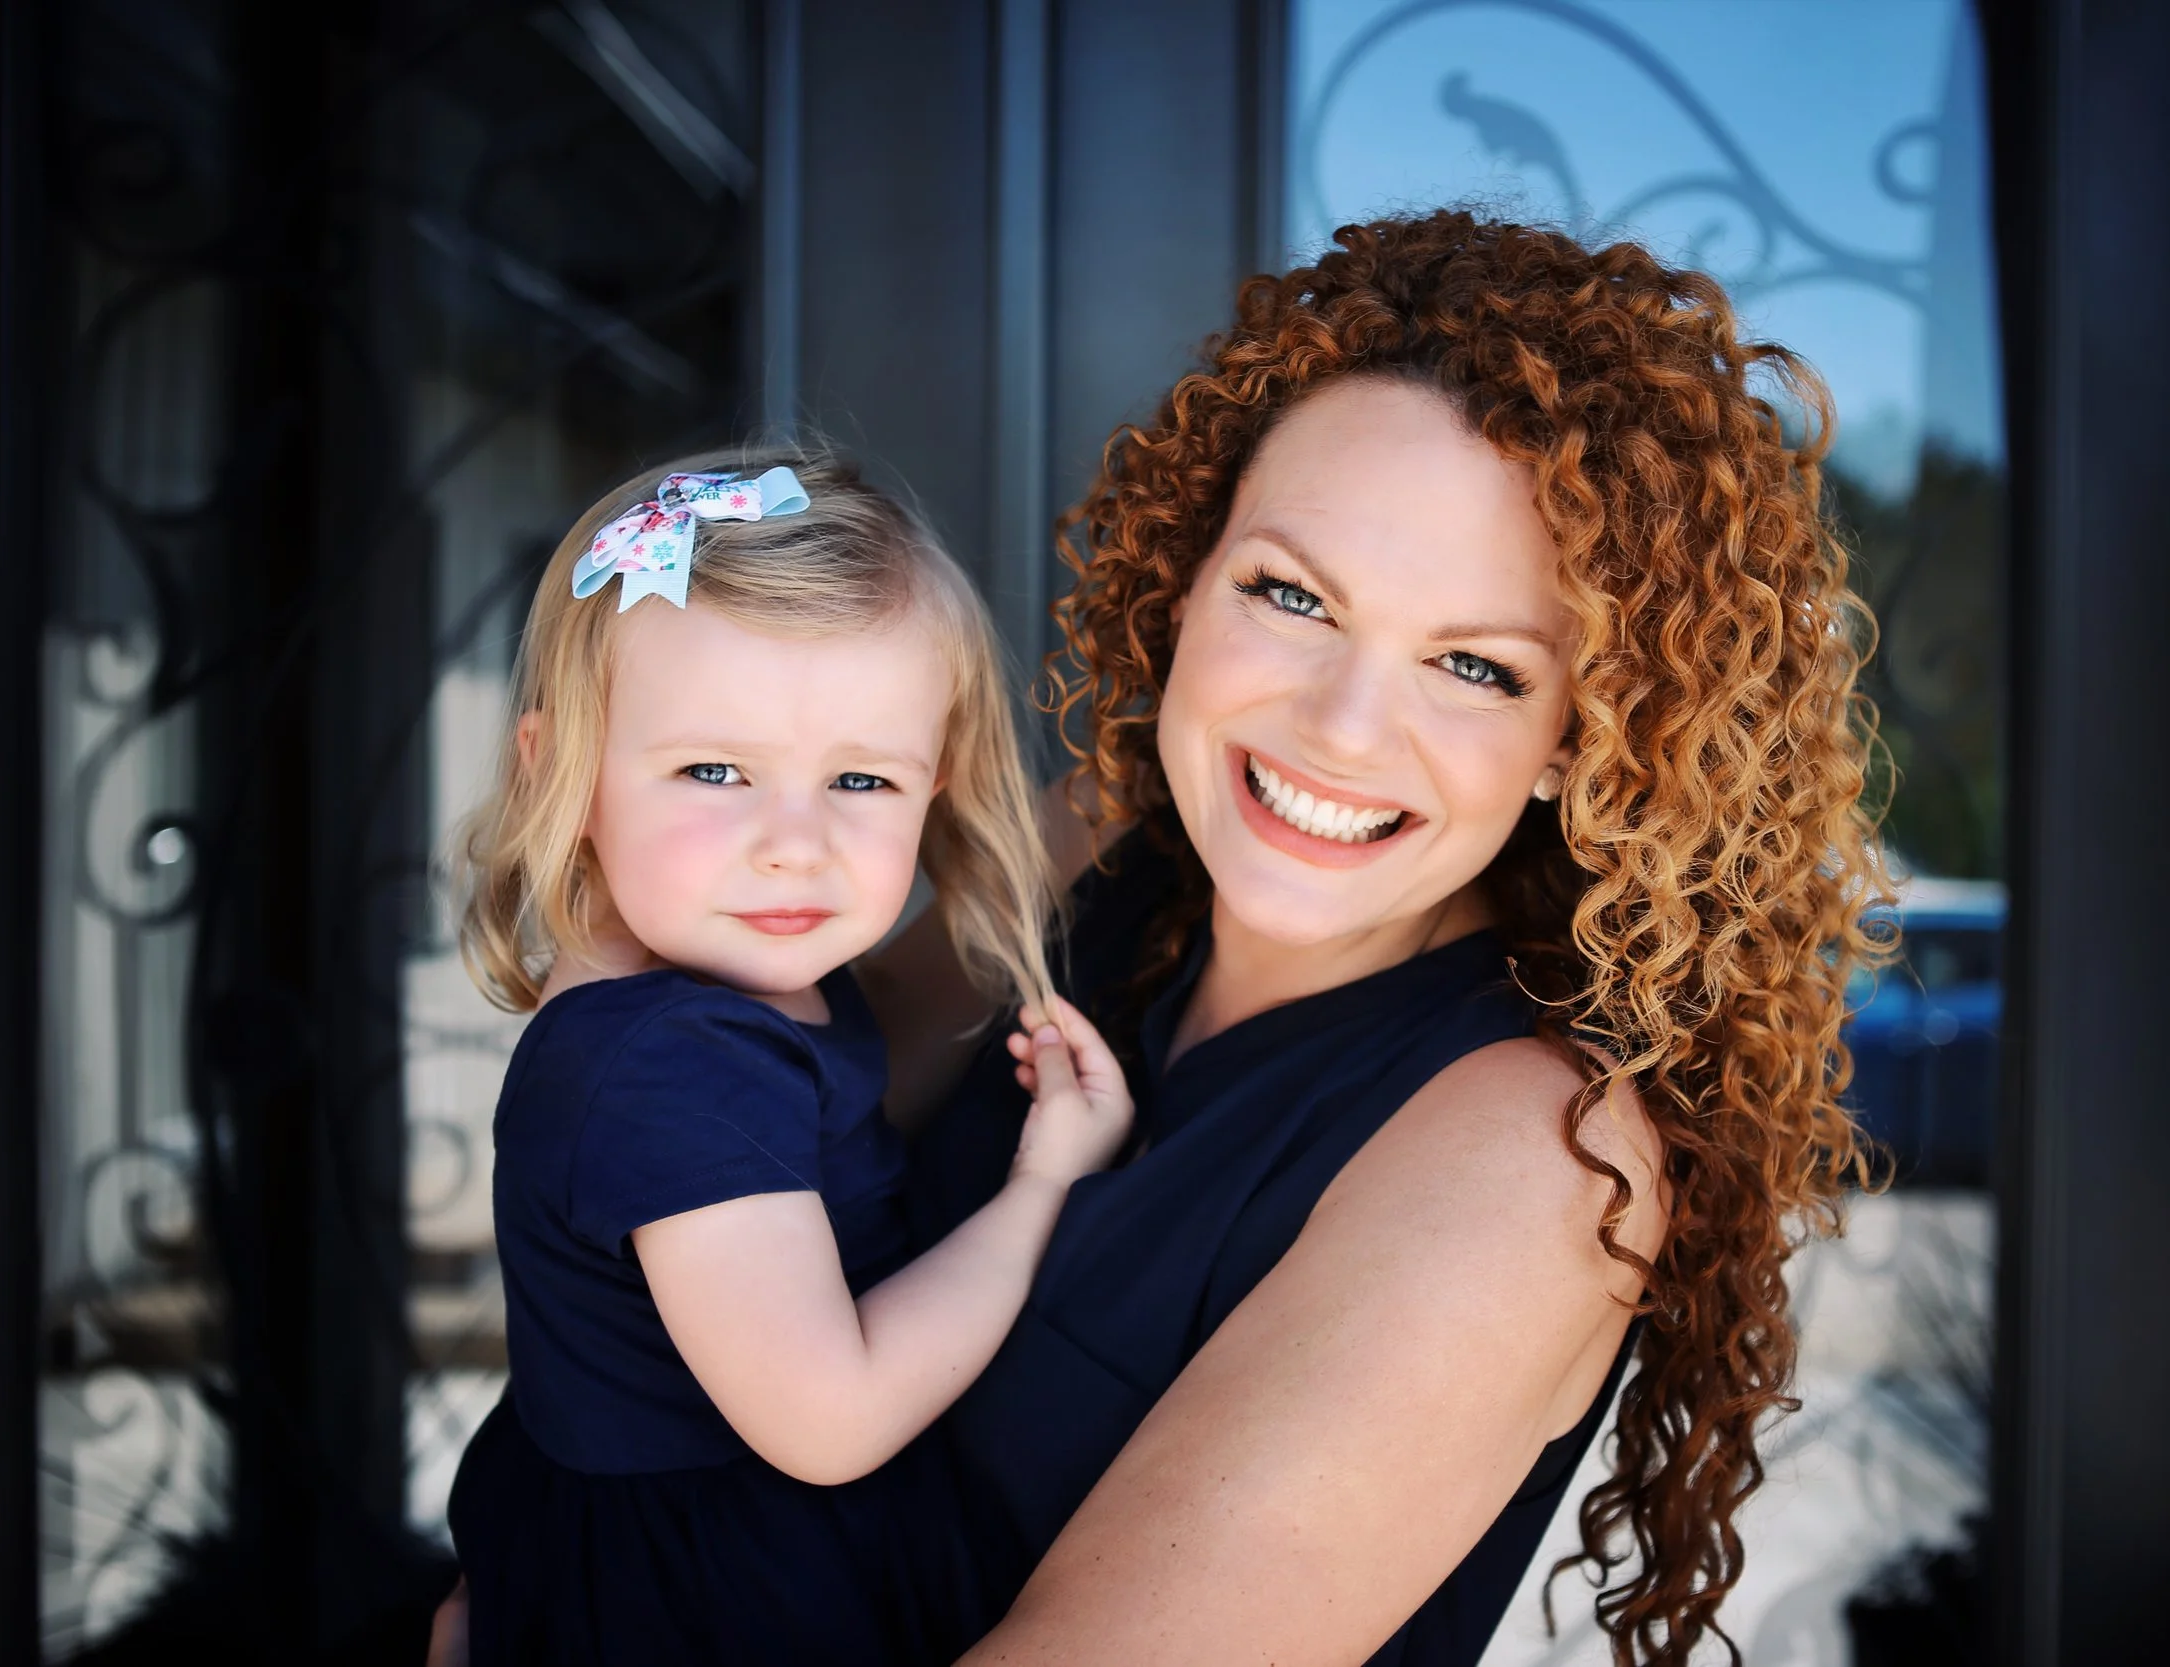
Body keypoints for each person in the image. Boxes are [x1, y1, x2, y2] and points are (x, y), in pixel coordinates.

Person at [434, 210, 1889, 1667]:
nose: (1340, 728)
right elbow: (710, 1103)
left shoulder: (1537, 1161)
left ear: (1584, 736)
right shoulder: (1100, 850)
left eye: (1473, 664)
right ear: (1186, 583)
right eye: (1292, 593)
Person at [439, 451, 1133, 1665]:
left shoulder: (691, 974)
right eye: (715, 770)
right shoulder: (673, 1060)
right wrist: (1043, 1186)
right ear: (559, 767)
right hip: (718, 1603)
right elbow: (832, 1416)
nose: (794, 846)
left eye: (861, 778)